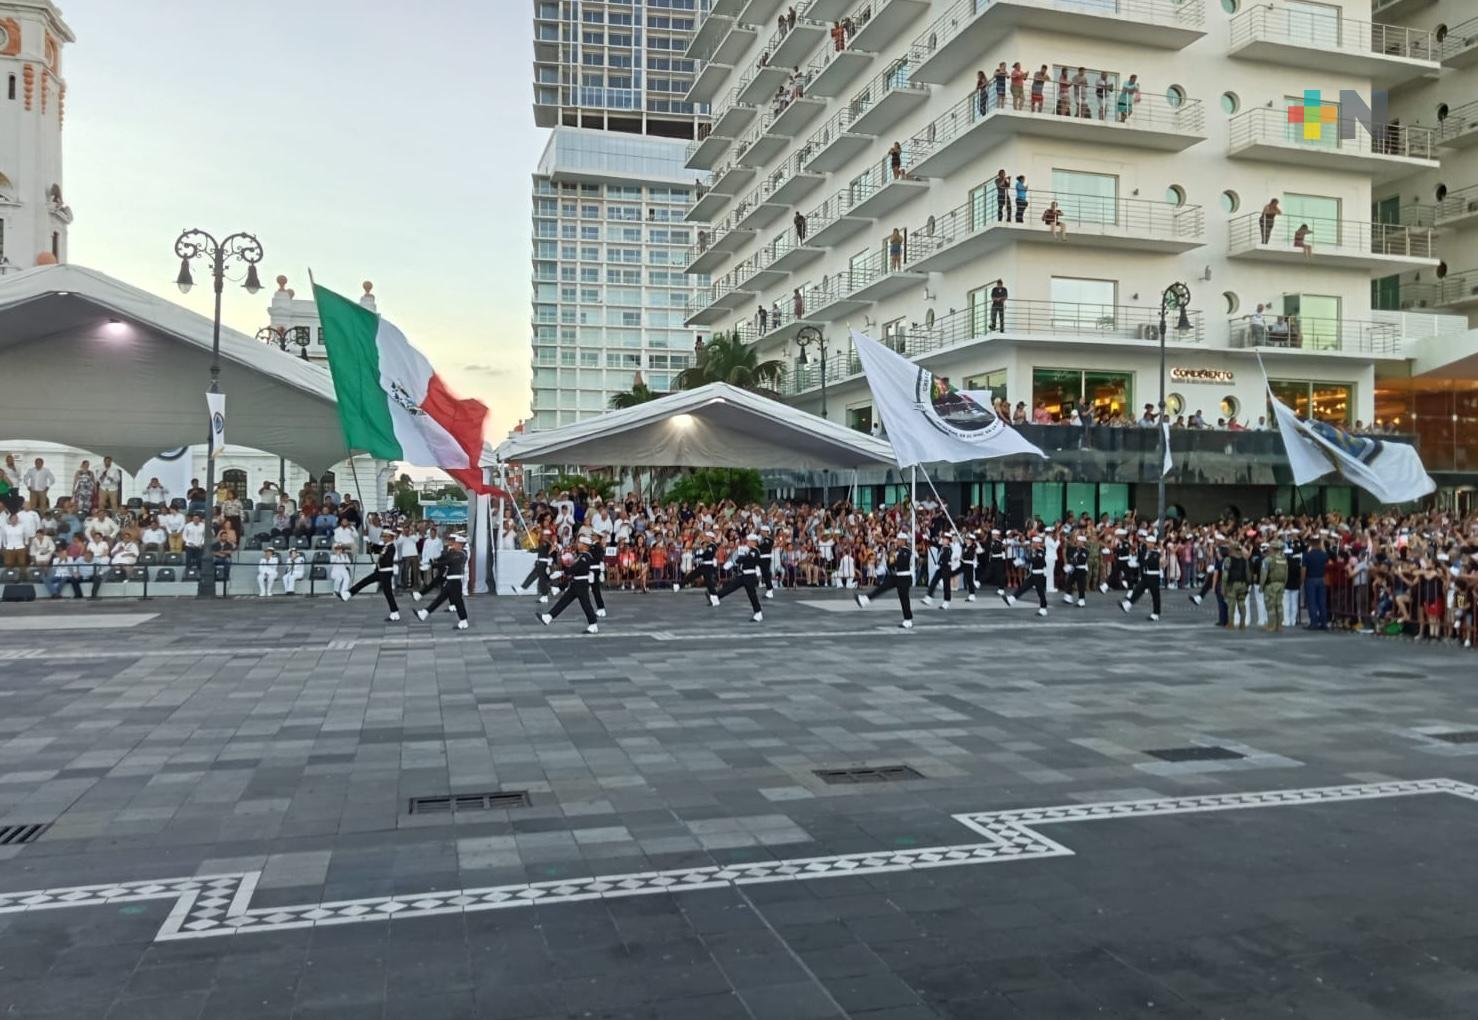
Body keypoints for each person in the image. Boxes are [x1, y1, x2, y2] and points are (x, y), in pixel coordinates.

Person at [539, 532, 599, 634]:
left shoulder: (585, 557)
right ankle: (548, 617)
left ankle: (593, 624)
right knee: (565, 601)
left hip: (581, 584)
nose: (578, 544)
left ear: (585, 546)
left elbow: (575, 569)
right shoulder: (582, 556)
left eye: (580, 543)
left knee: (585, 604)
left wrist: (562, 572)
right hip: (577, 583)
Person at [855, 532, 914, 629]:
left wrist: (892, 562)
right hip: (896, 576)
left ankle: (908, 620)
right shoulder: (899, 551)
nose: (897, 541)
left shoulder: (906, 552)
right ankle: (865, 600)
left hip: (904, 578)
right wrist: (891, 562)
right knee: (882, 587)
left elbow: (899, 564)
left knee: (904, 599)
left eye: (899, 540)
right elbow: (891, 564)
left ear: (903, 541)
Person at [342, 525, 401, 621]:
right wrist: (368, 541)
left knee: (388, 593)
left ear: (391, 537)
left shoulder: (391, 547)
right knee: (365, 581)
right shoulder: (386, 546)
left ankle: (395, 613)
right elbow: (376, 548)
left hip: (386, 572)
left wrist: (379, 564)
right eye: (383, 536)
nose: (384, 538)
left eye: (386, 536)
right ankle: (348, 594)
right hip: (380, 571)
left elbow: (387, 559)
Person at [416, 532, 470, 630]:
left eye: (456, 543)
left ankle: (463, 620)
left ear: (461, 545)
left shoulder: (462, 554)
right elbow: (445, 559)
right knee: (441, 599)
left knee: (457, 601)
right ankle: (425, 613)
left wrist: (435, 564)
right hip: (451, 580)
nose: (454, 544)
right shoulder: (453, 553)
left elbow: (448, 561)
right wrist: (433, 562)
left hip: (455, 581)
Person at [711, 533, 765, 622]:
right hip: (744, 575)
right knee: (731, 586)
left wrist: (742, 558)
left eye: (749, 541)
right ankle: (715, 597)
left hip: (750, 576)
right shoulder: (750, 550)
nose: (747, 542)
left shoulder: (755, 551)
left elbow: (746, 559)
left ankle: (758, 613)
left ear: (754, 542)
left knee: (752, 595)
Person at [1002, 534, 1049, 617]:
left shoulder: (1041, 552)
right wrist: (1022, 560)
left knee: (1040, 592)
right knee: (1023, 587)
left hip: (1039, 575)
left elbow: (1034, 560)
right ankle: (1011, 599)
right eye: (1033, 542)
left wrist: (1024, 560)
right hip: (1033, 574)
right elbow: (1029, 558)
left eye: (1035, 543)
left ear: (1038, 544)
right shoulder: (1033, 551)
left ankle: (1043, 608)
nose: (1033, 544)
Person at [1120, 534, 1163, 621]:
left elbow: (1148, 563)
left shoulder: (1156, 553)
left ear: (1153, 544)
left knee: (1155, 595)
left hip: (1154, 577)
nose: (1148, 544)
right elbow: (1141, 561)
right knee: (1138, 590)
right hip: (1146, 576)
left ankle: (1156, 613)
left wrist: (1142, 561)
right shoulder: (1145, 552)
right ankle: (1128, 604)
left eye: (1150, 543)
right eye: (1147, 542)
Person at [675, 530, 719, 596]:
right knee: (692, 575)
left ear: (710, 538)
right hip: (704, 565)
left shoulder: (712, 546)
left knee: (708, 582)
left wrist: (697, 555)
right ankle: (679, 586)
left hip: (708, 566)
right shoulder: (708, 546)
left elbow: (707, 555)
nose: (705, 538)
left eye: (707, 536)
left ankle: (714, 594)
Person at [922, 530, 955, 609]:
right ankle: (929, 597)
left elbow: (946, 560)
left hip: (946, 569)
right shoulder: (942, 547)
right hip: (940, 569)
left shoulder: (948, 549)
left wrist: (939, 564)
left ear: (948, 541)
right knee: (933, 582)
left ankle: (946, 601)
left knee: (946, 586)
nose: (943, 540)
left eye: (945, 539)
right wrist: (927, 539)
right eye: (943, 539)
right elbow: (934, 544)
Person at [521, 529, 556, 602]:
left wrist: (531, 550)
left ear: (547, 536)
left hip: (542, 563)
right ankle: (546, 594)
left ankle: (523, 588)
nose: (543, 536)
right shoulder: (544, 543)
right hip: (540, 562)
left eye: (544, 535)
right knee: (542, 579)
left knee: (537, 578)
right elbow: (538, 550)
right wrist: (530, 550)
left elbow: (544, 549)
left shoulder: (547, 543)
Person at [1303, 536, 1330, 630]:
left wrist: (1302, 580)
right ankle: (1324, 623)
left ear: (1311, 543)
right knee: (1322, 602)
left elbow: (1304, 569)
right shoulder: (1324, 555)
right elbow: (1328, 564)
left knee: (1312, 602)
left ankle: (1313, 623)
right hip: (1322, 579)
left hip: (1311, 579)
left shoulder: (1307, 555)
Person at [1261, 538, 1288, 633]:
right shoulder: (1283, 559)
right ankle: (1279, 625)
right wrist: (1284, 584)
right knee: (1279, 605)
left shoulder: (1268, 560)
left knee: (1270, 606)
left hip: (1271, 585)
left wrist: (1261, 586)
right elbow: (1286, 574)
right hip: (1281, 584)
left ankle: (1271, 625)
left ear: (1272, 548)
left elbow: (1264, 574)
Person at [1224, 539, 1251, 630]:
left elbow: (1225, 575)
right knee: (1242, 604)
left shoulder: (1228, 560)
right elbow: (1248, 573)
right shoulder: (1244, 560)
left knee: (1231, 605)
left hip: (1233, 585)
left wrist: (1224, 587)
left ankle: (1230, 624)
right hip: (1243, 584)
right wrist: (1248, 584)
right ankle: (1242, 624)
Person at [1063, 533, 1090, 607]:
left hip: (1081, 570)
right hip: (1074, 569)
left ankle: (1081, 600)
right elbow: (1070, 557)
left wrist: (1072, 564)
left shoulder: (1085, 551)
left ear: (1083, 543)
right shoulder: (1074, 549)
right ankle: (1068, 596)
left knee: (1080, 585)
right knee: (1069, 582)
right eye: (1078, 541)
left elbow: (1081, 560)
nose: (1079, 543)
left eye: (1081, 542)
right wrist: (1069, 564)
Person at [757, 524, 777, 599]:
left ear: (766, 532)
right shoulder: (763, 540)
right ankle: (769, 589)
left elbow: (763, 548)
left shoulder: (768, 540)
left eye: (762, 531)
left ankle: (770, 590)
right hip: (762, 558)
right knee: (764, 574)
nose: (761, 532)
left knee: (766, 574)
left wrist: (756, 546)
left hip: (765, 558)